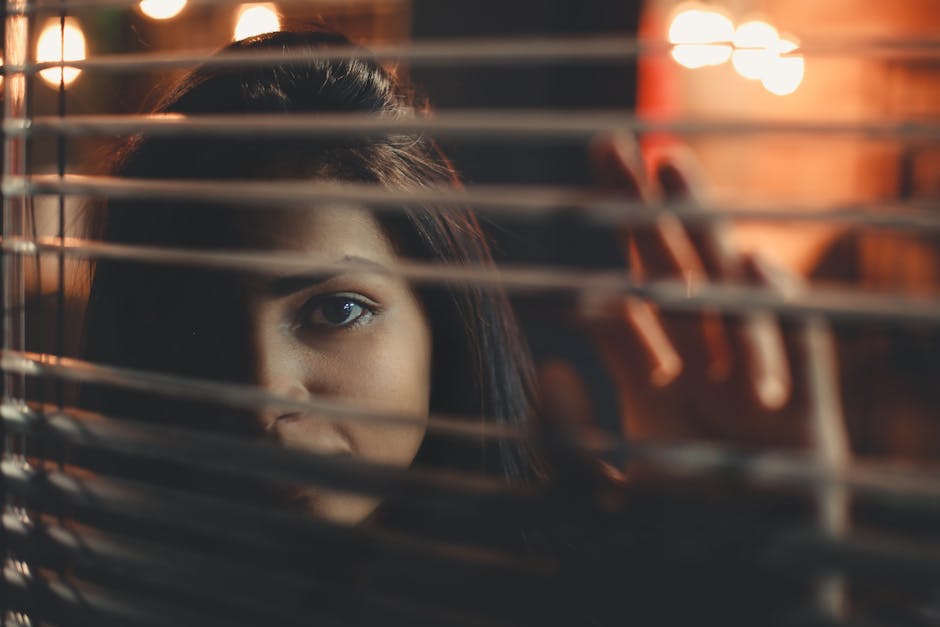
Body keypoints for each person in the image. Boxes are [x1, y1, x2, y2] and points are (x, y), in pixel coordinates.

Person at [76, 28, 822, 626]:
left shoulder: (586, 579)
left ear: (441, 315)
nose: (263, 391)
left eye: (335, 309)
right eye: (198, 320)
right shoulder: (84, 585)